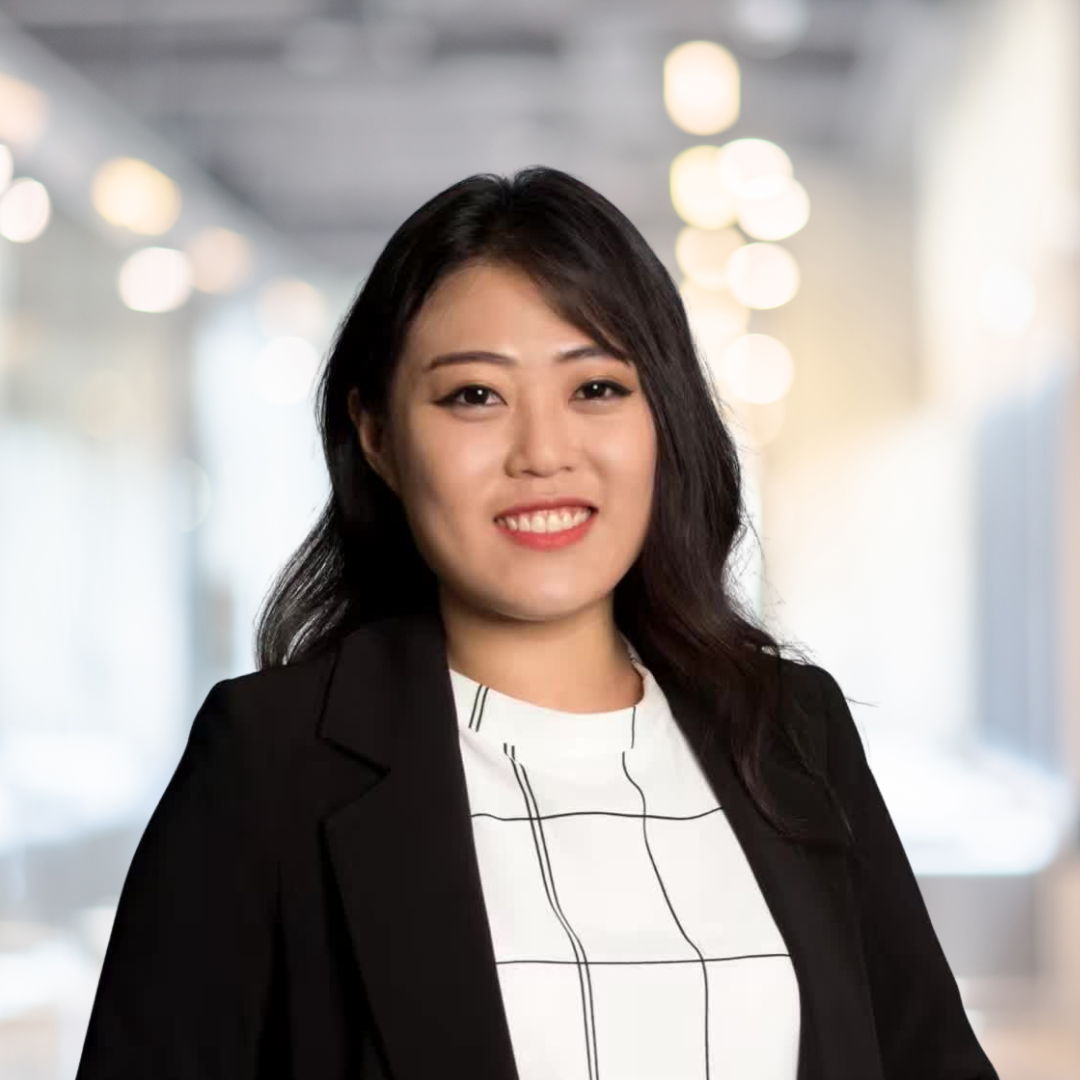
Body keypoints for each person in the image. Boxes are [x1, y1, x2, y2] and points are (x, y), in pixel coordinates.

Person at [75, 167, 999, 1080]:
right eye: (474, 395)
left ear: (662, 418)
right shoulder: (271, 764)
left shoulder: (791, 729)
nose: (544, 453)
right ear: (378, 437)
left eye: (595, 388)